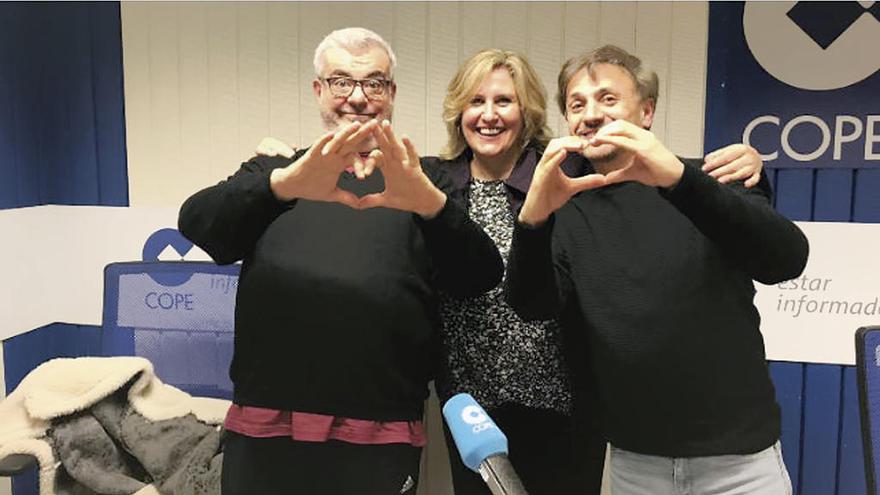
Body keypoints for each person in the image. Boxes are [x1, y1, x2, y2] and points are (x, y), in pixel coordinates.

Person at [258, 46, 766, 495]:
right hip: (472, 409)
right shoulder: (432, 179)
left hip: (566, 405)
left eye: (504, 101)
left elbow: (635, 165)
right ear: (459, 112)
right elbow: (360, 165)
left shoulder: (565, 170)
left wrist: (735, 163)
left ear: (528, 111)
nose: (489, 115)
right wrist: (280, 159)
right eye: (476, 102)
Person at [178, 27, 503, 495]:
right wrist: (281, 184)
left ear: (391, 94)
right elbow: (198, 223)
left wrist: (429, 204)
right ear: (318, 90)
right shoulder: (279, 170)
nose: (357, 97)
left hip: (382, 425)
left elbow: (478, 276)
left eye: (373, 83)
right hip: (268, 423)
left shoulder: (422, 177)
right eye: (340, 81)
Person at [505, 44, 809, 495]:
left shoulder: (710, 179)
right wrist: (531, 221)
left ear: (646, 111)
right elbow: (532, 306)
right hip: (634, 465)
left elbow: (786, 260)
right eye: (577, 104)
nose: (590, 114)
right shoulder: (566, 205)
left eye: (608, 99)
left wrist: (682, 181)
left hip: (740, 465)